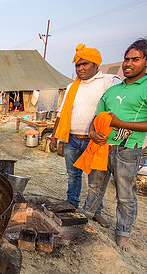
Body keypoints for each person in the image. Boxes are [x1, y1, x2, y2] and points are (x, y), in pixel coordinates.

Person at [82, 38, 147, 251]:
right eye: (126, 59)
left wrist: (118, 123)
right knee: (94, 187)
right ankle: (85, 219)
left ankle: (123, 233)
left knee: (125, 194)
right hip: (102, 148)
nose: (128, 64)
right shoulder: (112, 90)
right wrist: (93, 133)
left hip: (127, 150)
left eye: (135, 59)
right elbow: (97, 118)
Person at [50, 44, 120, 228]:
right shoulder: (72, 86)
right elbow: (61, 113)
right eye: (77, 65)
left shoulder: (109, 81)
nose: (80, 68)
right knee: (73, 174)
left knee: (96, 179)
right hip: (72, 138)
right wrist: (53, 136)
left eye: (84, 64)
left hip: (94, 140)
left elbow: (115, 108)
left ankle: (96, 211)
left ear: (96, 64)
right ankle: (71, 203)